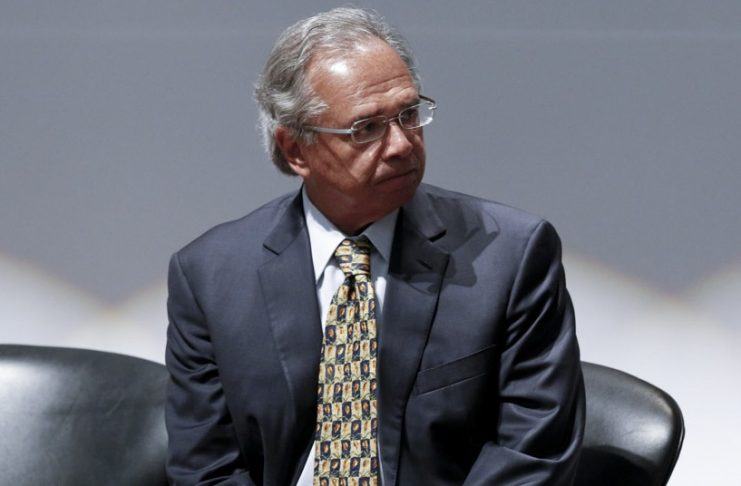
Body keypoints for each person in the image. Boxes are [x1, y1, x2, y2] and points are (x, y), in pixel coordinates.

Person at [166, 7, 584, 486]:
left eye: (409, 114)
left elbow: (534, 454)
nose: (402, 145)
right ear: (295, 149)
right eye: (366, 128)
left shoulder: (510, 255)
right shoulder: (210, 277)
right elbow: (205, 468)